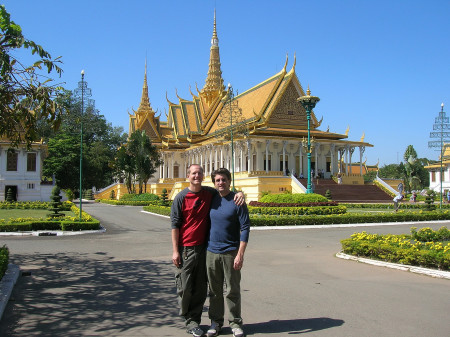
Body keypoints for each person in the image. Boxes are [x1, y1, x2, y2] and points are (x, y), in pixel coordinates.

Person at [171, 164, 244, 337]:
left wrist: (240, 193)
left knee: (202, 288)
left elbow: (226, 192)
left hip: (205, 248)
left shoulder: (209, 194)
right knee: (186, 287)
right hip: (186, 249)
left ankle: (197, 321)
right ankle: (190, 320)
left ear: (203, 176)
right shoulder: (181, 197)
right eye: (193, 173)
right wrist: (175, 251)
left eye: (199, 173)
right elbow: (174, 225)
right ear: (188, 175)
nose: (197, 176)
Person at [205, 168, 250, 337]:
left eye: (224, 179)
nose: (221, 183)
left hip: (231, 251)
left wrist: (240, 253)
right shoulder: (211, 198)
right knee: (214, 291)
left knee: (232, 289)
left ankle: (235, 323)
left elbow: (245, 227)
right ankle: (216, 322)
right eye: (217, 180)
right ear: (214, 183)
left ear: (229, 181)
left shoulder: (237, 201)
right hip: (211, 251)